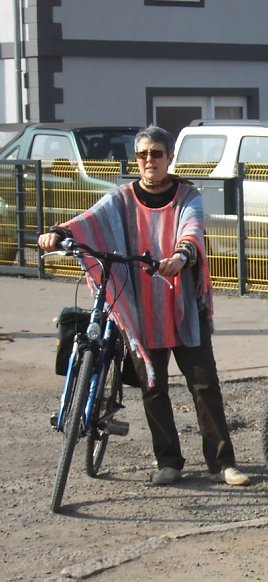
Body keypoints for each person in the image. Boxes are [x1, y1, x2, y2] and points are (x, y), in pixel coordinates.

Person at [38, 125, 250, 487]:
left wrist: (182, 256)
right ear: (136, 159)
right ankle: (169, 461)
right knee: (152, 385)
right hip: (140, 307)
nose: (149, 160)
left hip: (183, 303)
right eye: (142, 155)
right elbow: (89, 220)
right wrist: (58, 232)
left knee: (203, 383)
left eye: (156, 153)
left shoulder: (188, 194)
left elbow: (192, 230)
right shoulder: (122, 198)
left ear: (170, 158)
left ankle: (222, 463)